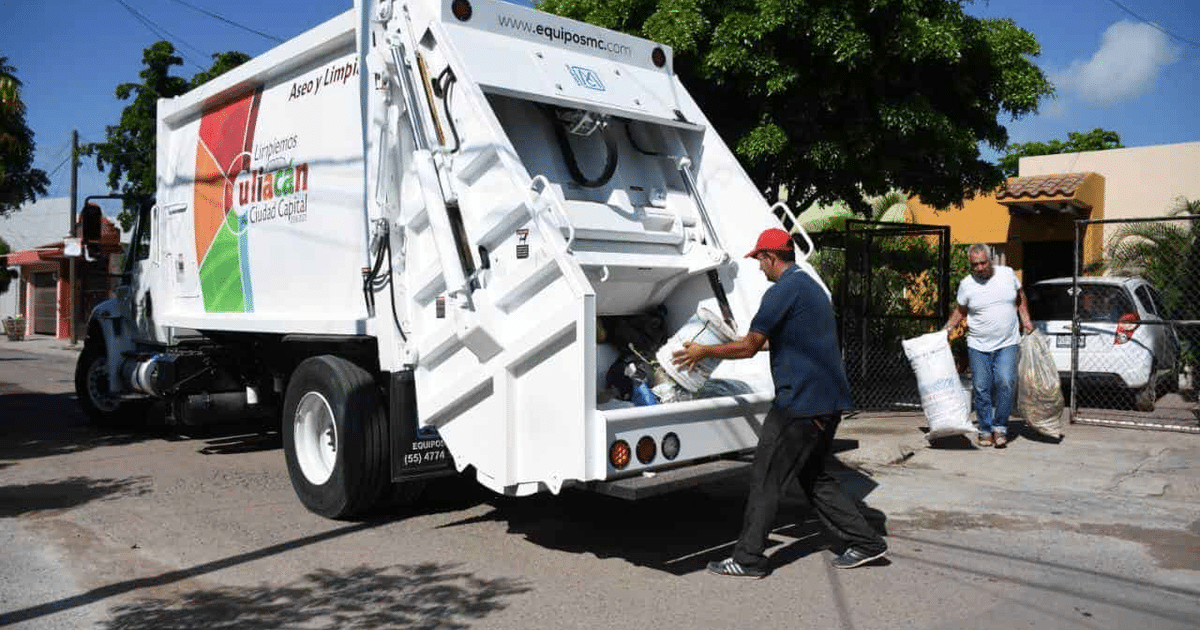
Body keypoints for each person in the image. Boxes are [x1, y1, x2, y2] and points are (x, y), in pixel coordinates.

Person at [673, 228, 888, 578]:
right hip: (827, 401)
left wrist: (704, 350)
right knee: (812, 477)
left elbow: (750, 346)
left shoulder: (782, 291)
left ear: (771, 257)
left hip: (800, 404)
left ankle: (748, 559)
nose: (759, 268)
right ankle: (866, 541)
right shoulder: (809, 286)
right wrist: (742, 342)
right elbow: (790, 339)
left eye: (760, 259)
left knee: (765, 479)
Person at [943, 244, 1033, 449]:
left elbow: (1020, 297)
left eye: (983, 263)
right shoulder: (967, 284)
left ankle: (1000, 427)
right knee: (982, 388)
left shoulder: (1007, 274)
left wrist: (1025, 319)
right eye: (975, 264)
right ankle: (985, 430)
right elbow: (960, 311)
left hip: (1007, 342)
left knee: (1005, 382)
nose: (980, 268)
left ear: (990, 260)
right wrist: (945, 331)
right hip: (978, 344)